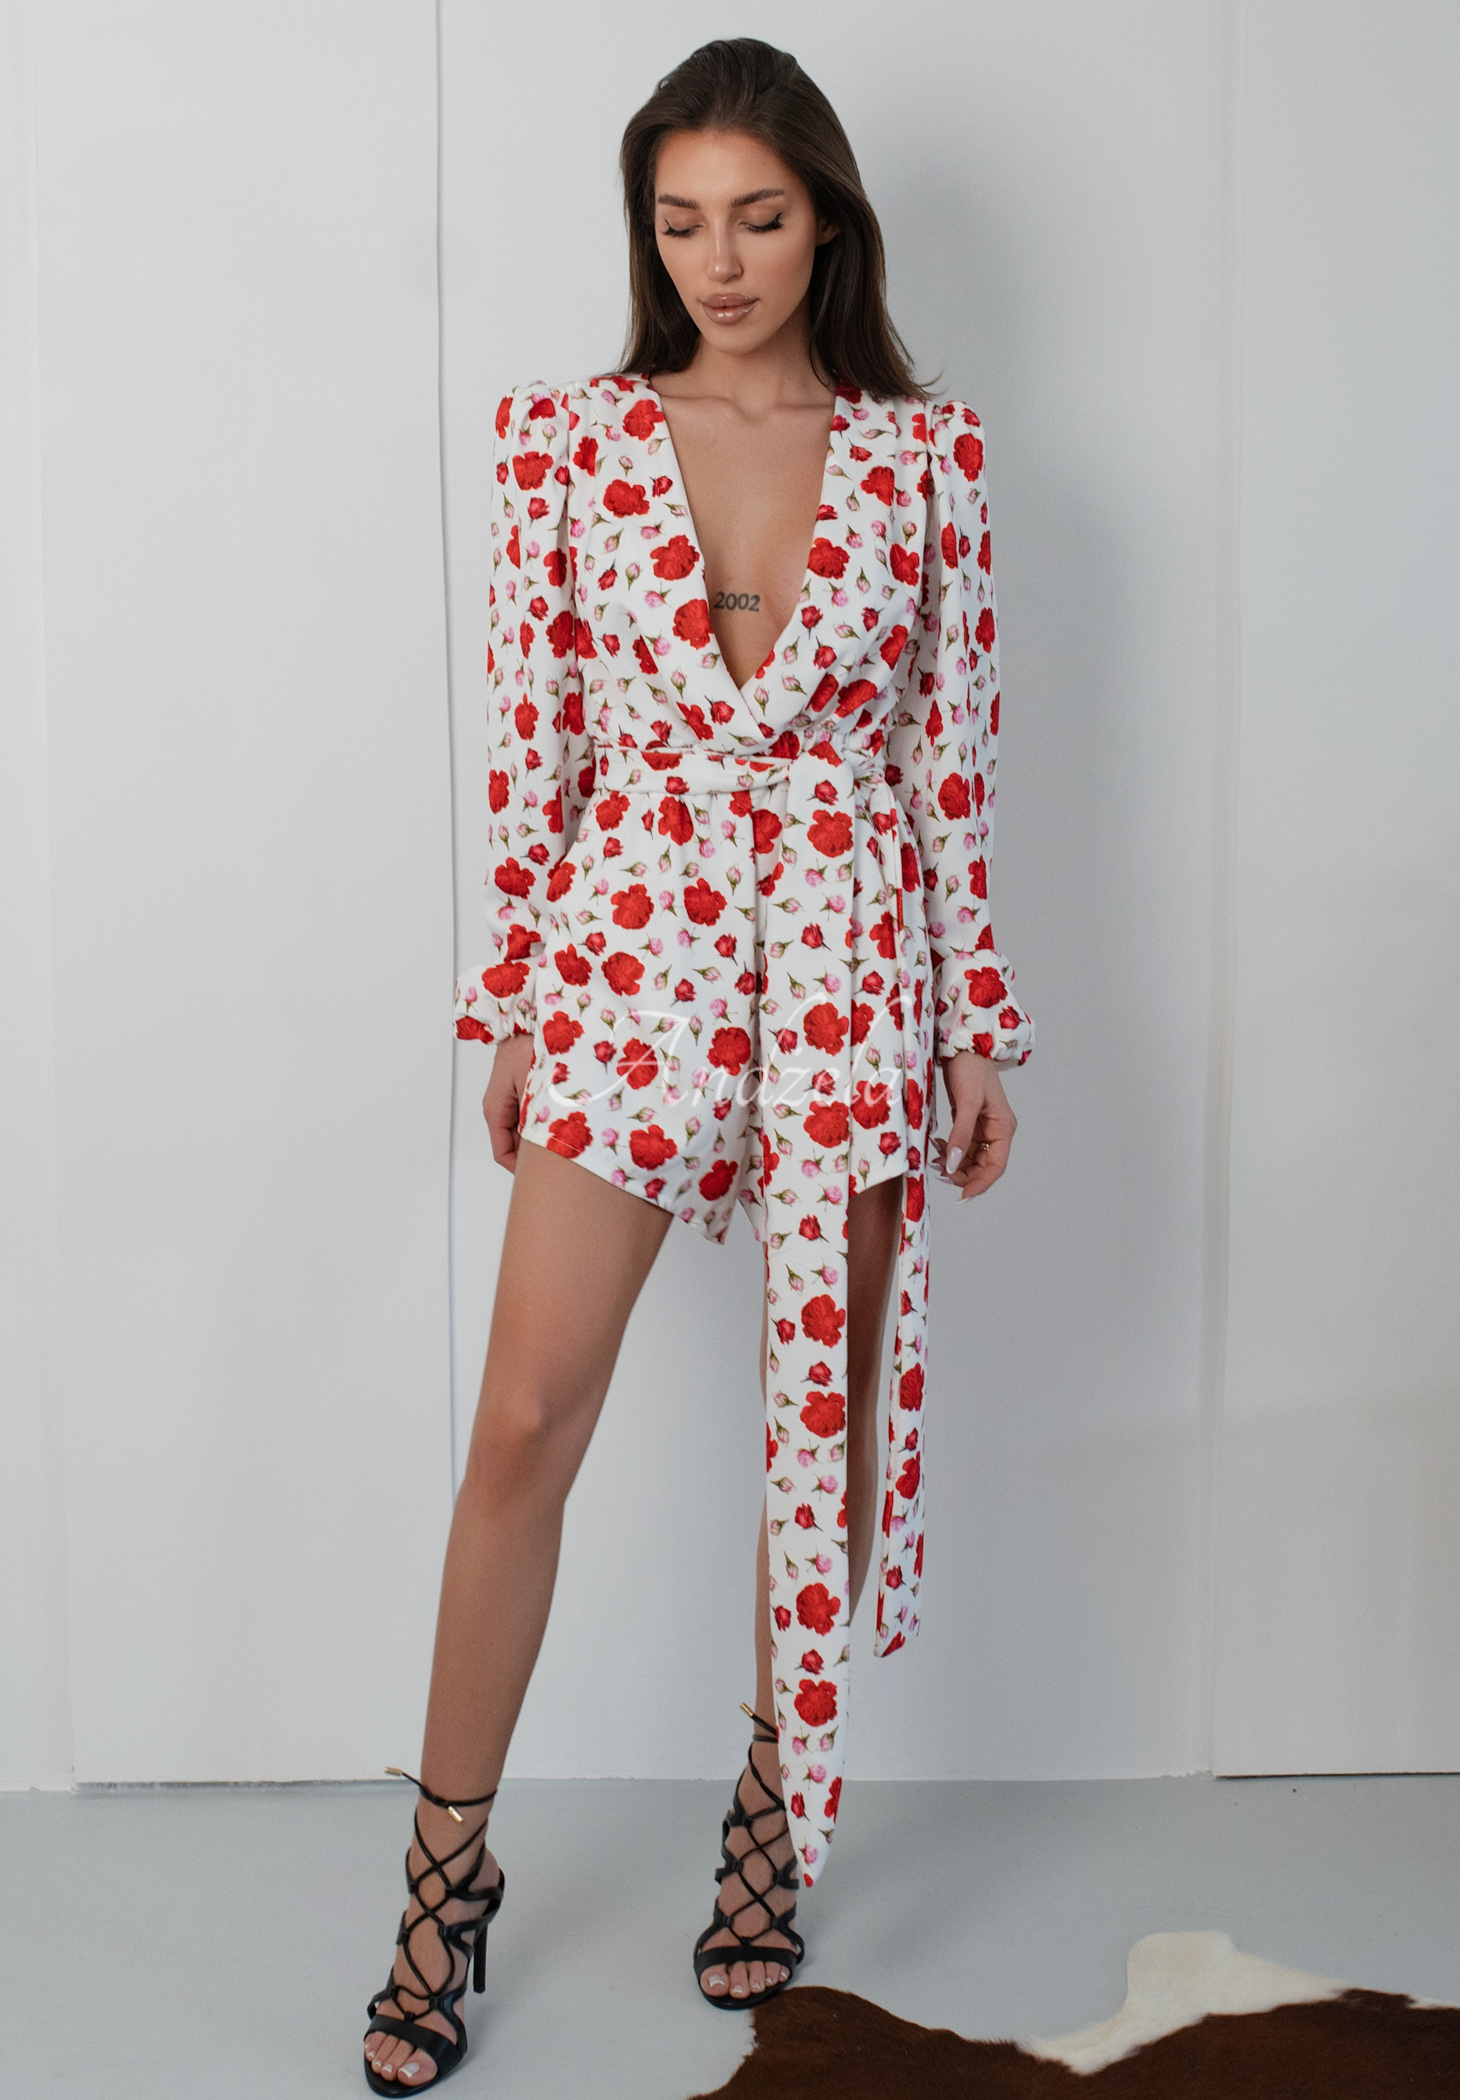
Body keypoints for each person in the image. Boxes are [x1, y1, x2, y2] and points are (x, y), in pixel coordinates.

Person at [362, 35, 1032, 2092]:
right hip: (633, 941)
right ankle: (446, 1872)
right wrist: (513, 1005)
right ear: (644, 234)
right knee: (522, 1421)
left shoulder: (928, 459)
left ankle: (770, 1803)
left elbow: (946, 763)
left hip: (848, 948)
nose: (719, 261)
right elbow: (536, 742)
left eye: (757, 217)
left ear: (827, 221)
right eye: (680, 223)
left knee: (818, 1421)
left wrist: (975, 1029)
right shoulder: (567, 440)